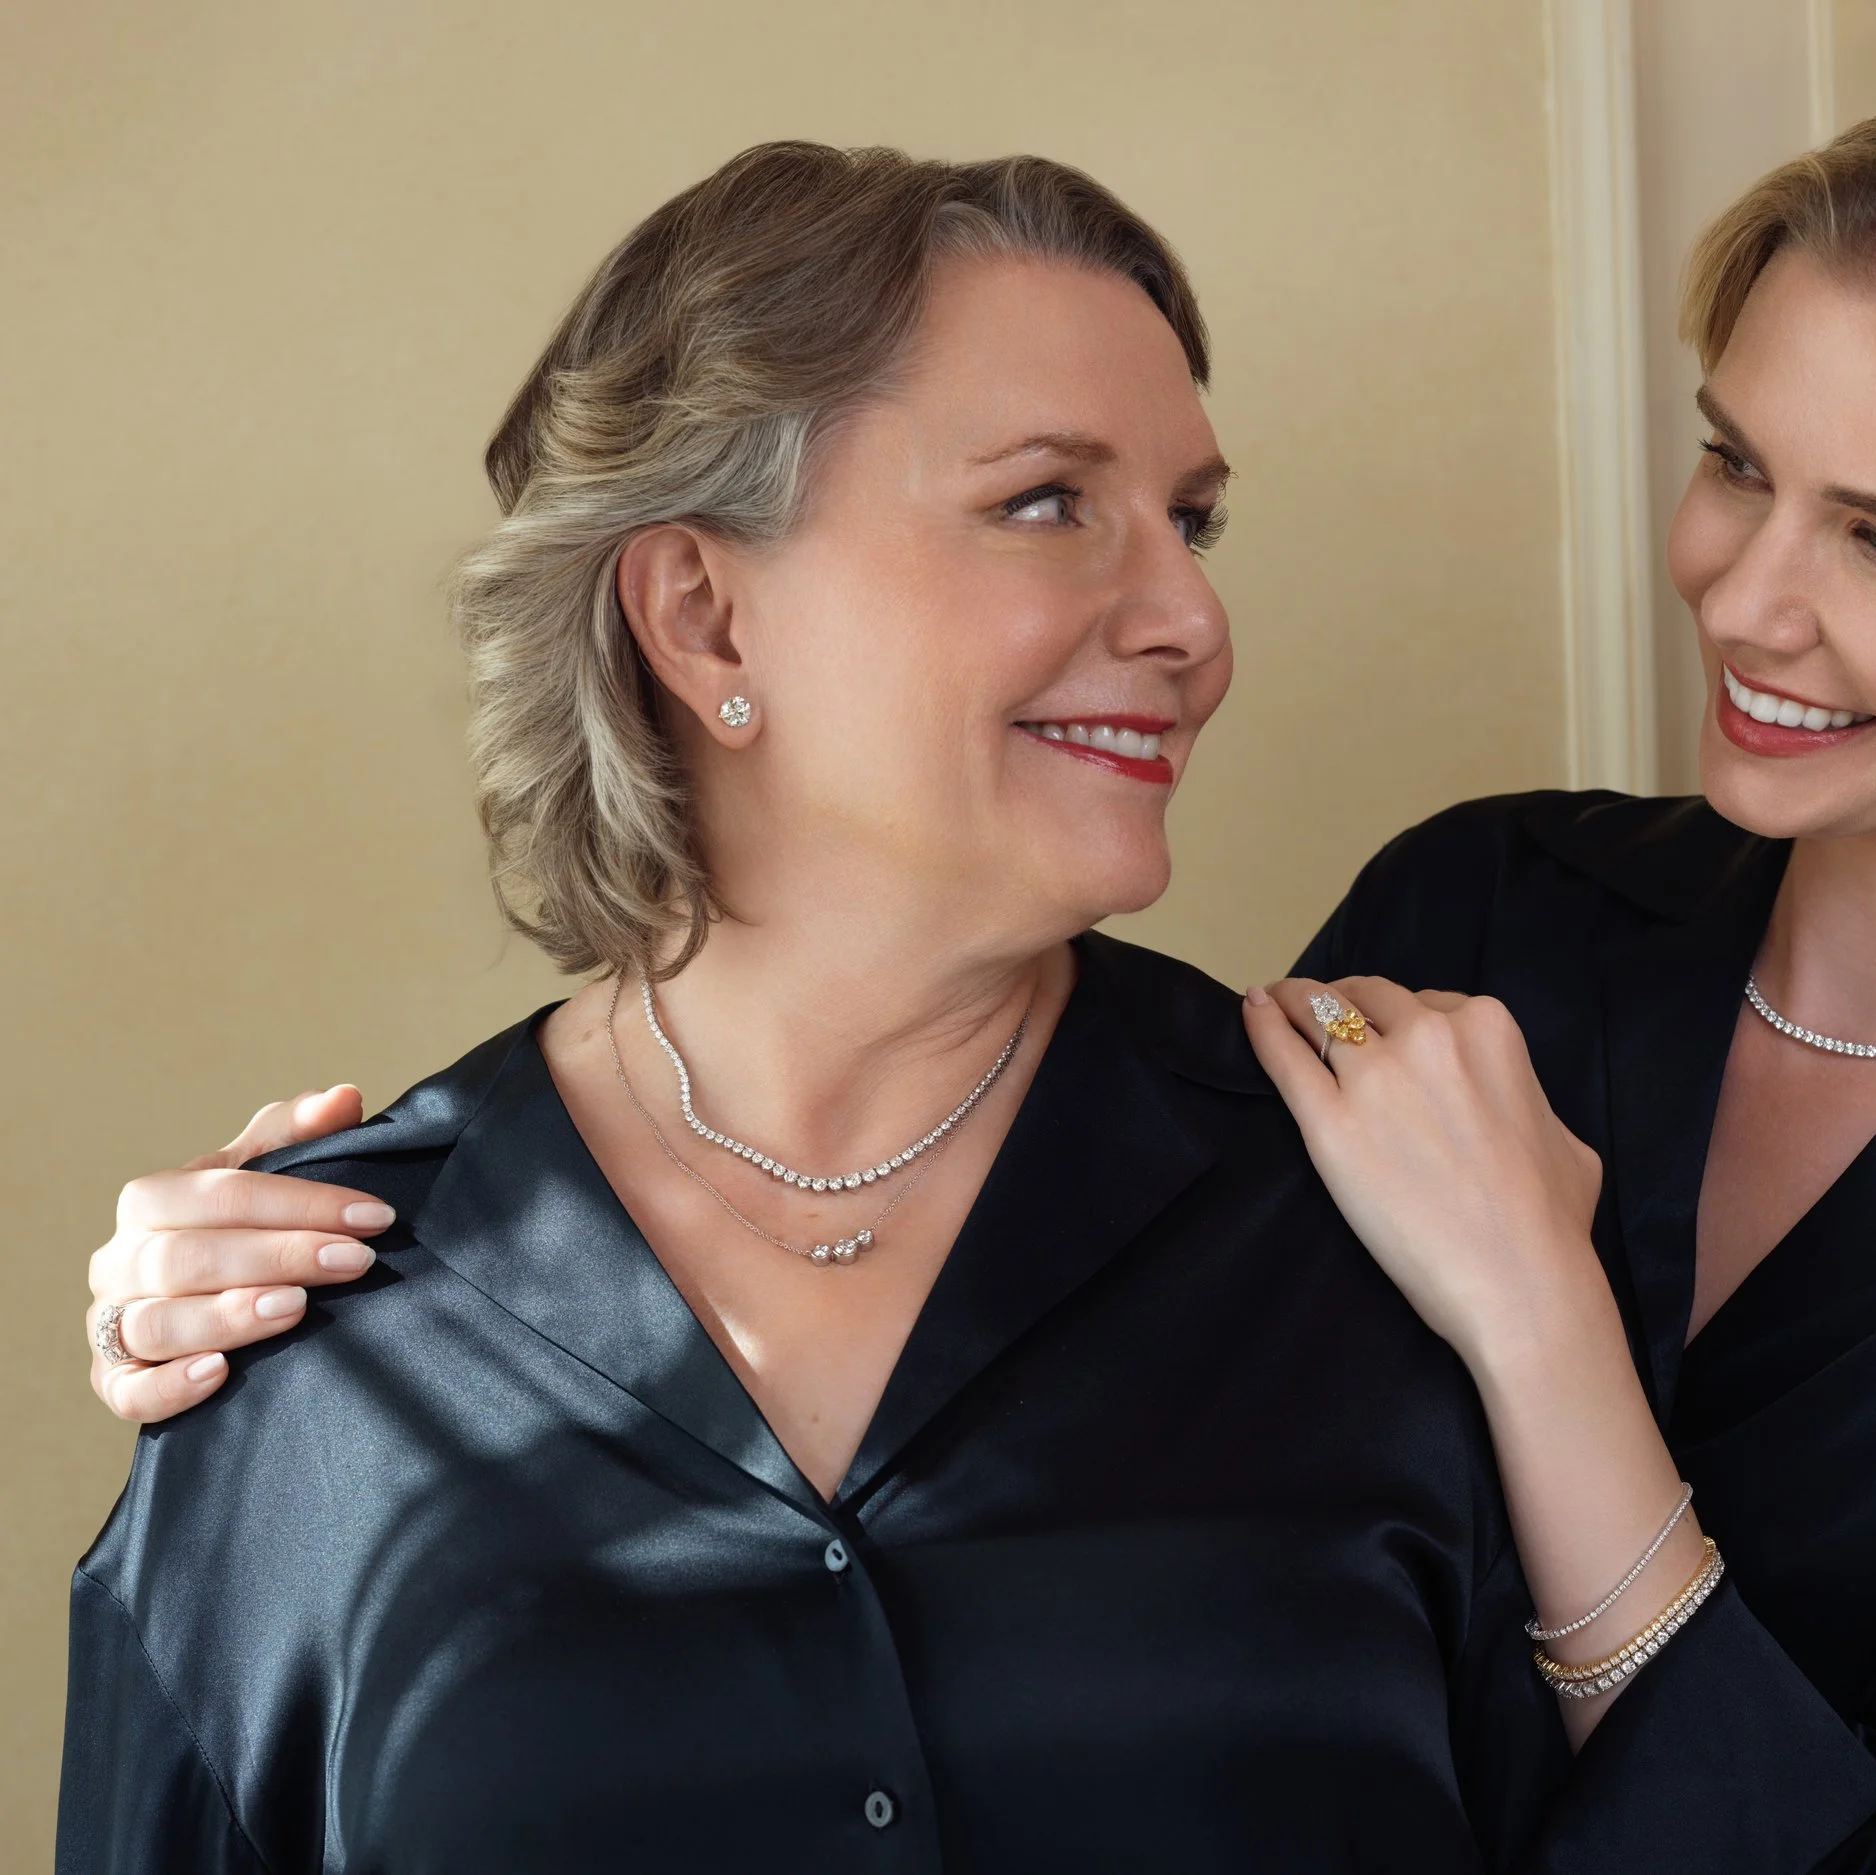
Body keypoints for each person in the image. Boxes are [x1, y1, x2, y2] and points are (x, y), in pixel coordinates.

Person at [79, 72, 1876, 1874]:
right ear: (698, 613)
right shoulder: (1486, 921)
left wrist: (1543, 1332)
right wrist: (312, 1331)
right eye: (1731, 464)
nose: (1746, 596)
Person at [60, 144, 1692, 1874]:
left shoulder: (1393, 1216)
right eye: (1049, 501)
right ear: (704, 615)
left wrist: (1545, 1325)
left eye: (1193, 521)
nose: (1193, 620)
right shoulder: (314, 1326)